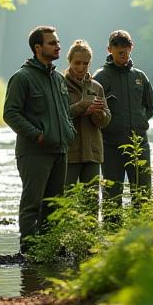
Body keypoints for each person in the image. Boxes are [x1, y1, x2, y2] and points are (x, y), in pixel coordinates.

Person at [3, 25, 76, 252]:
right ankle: (29, 250)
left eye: (57, 42)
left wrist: (68, 131)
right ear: (37, 47)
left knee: (55, 204)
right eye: (52, 43)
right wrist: (37, 135)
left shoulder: (58, 78)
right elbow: (10, 114)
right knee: (32, 204)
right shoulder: (22, 77)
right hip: (34, 151)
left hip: (60, 150)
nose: (58, 46)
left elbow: (65, 111)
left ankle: (51, 249)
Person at [93, 30, 153, 217]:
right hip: (110, 144)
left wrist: (141, 121)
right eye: (118, 51)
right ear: (109, 50)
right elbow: (94, 113)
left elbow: (150, 107)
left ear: (131, 48)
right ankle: (112, 237)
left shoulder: (140, 77)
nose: (122, 55)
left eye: (126, 51)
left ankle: (142, 235)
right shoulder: (101, 77)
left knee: (143, 195)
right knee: (112, 196)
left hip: (139, 144)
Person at [62, 40, 111, 215]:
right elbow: (59, 117)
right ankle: (62, 240)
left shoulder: (97, 87)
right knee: (64, 201)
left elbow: (106, 120)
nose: (81, 67)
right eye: (77, 63)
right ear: (69, 61)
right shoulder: (60, 85)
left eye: (85, 63)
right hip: (69, 152)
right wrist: (82, 106)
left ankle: (89, 240)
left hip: (92, 152)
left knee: (91, 201)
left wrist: (98, 114)